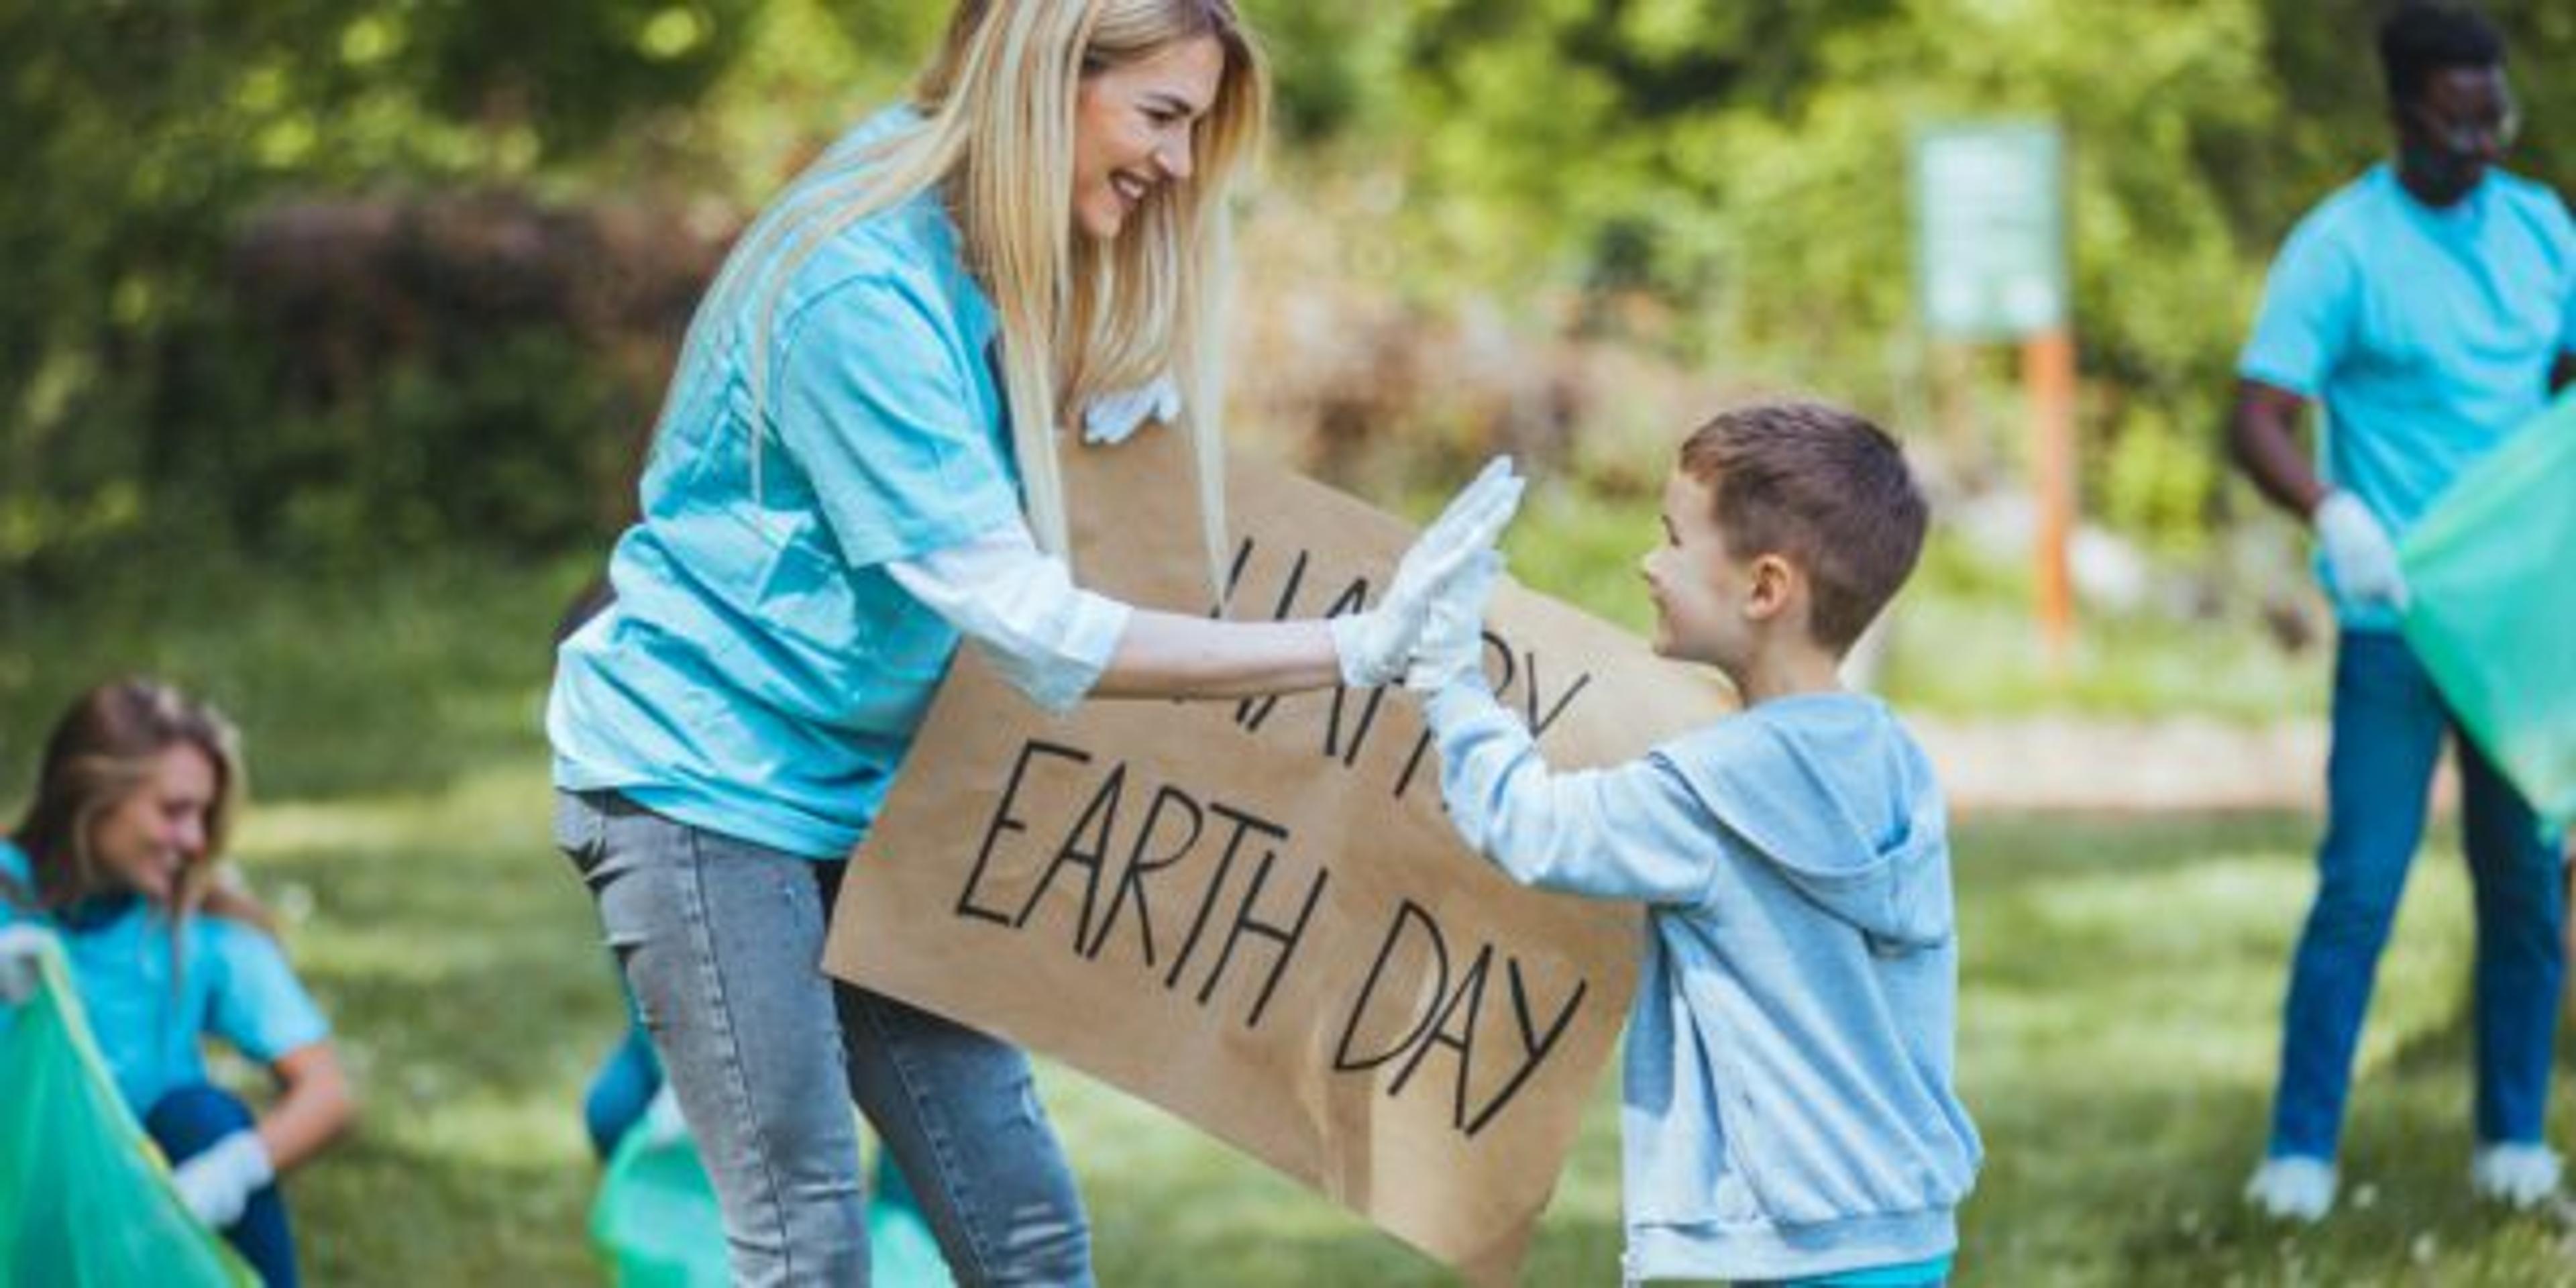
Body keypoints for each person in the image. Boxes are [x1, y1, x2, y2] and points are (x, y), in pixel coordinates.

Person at [545, 2, 1521, 1283]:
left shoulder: (985, 229)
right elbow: (1037, 629)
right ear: (1048, 80)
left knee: (1021, 1220)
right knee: (806, 1234)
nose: (1178, 164)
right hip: (704, 783)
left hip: (867, 790)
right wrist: (1350, 648)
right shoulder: (857, 287)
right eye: (1160, 117)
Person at [1404, 403, 1978, 1286]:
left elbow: (1530, 826)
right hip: (1904, 1236)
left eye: (1674, 538)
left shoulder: (1710, 791)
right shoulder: (1894, 759)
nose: (1649, 561)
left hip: (1768, 1246)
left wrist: (1448, 677)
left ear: (1765, 589)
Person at [2229, 1, 2576, 1222]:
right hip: (2395, 616)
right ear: (2403, 112)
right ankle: (2300, 1155)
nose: (2482, 144)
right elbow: (2257, 415)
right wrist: (2334, 510)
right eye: (2458, 120)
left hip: (2517, 625)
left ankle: (2514, 1140)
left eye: (2498, 118)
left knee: (2528, 883)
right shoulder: (2344, 247)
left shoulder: (2542, 231)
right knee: (2362, 885)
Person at [0, 678, 356, 1287]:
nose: (194, 841)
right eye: (172, 811)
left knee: (202, 1117)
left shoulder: (193, 929)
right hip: (22, 1212)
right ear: (93, 796)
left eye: (202, 815)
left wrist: (225, 1174)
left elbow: (328, 1094)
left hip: (141, 1224)